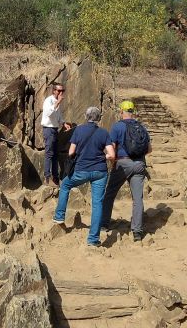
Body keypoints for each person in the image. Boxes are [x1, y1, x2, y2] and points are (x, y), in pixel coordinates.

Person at [52, 106, 116, 247]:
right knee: (97, 204)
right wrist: (102, 156)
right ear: (99, 118)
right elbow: (112, 155)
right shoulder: (104, 133)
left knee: (65, 185)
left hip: (81, 170)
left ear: (86, 117)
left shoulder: (79, 130)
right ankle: (93, 240)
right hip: (100, 171)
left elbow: (71, 152)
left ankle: (59, 216)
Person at [101, 100, 152, 242]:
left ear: (121, 112)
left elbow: (112, 148)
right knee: (137, 199)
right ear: (133, 111)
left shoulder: (118, 127)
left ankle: (104, 224)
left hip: (122, 163)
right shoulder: (141, 127)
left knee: (109, 194)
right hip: (140, 164)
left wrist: (113, 163)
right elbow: (149, 149)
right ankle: (137, 232)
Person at [41, 83, 71, 186]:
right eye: (59, 91)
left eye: (63, 91)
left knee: (55, 154)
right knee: (49, 153)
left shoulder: (56, 102)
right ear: (54, 91)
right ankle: (47, 178)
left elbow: (58, 115)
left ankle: (55, 177)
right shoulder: (48, 101)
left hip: (54, 129)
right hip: (48, 129)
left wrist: (63, 123)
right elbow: (48, 113)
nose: (61, 93)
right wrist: (58, 102)